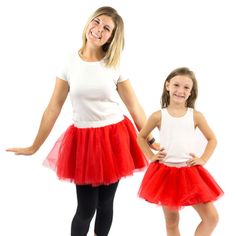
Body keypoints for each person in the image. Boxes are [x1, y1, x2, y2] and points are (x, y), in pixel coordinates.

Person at [6, 6, 158, 236]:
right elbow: (53, 108)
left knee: (105, 204)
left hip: (115, 138)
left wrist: (150, 139)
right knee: (86, 208)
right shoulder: (69, 62)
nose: (99, 30)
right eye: (96, 22)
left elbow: (134, 106)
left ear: (112, 36)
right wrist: (34, 146)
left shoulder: (114, 64)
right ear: (88, 23)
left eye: (106, 28)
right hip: (84, 140)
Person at [137, 67, 224, 236]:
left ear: (191, 92)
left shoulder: (196, 116)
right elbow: (141, 137)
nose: (180, 91)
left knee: (211, 218)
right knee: (172, 222)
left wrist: (203, 159)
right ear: (167, 85)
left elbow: (212, 139)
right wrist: (152, 156)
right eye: (176, 85)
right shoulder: (158, 116)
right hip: (165, 174)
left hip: (190, 172)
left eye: (186, 87)